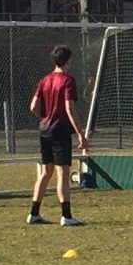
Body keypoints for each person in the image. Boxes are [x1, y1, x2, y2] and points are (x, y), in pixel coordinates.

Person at [26, 44, 87, 228]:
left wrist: (45, 117)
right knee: (62, 173)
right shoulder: (67, 81)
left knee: (46, 172)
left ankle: (34, 213)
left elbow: (33, 107)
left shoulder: (45, 80)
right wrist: (80, 133)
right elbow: (69, 107)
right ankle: (66, 216)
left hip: (44, 130)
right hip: (60, 131)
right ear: (67, 61)